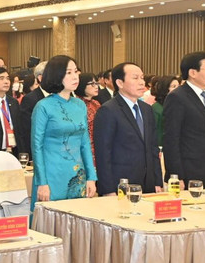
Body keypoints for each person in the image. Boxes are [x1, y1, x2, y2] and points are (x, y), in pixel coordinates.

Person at [31, 55, 97, 209]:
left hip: (77, 173)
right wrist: (42, 182)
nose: (75, 76)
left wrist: (91, 177)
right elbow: (36, 146)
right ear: (56, 75)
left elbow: (85, 143)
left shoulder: (80, 105)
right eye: (68, 73)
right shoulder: (43, 106)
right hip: (51, 175)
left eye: (76, 71)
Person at [93, 63, 162, 195]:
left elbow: (153, 148)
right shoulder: (108, 110)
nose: (142, 82)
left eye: (142, 78)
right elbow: (103, 154)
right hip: (120, 185)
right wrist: (108, 189)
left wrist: (157, 181)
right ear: (120, 82)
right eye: (135, 78)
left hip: (147, 184)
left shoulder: (146, 109)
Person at [163, 51, 205, 187]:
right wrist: (176, 175)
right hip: (190, 172)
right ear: (193, 73)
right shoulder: (177, 97)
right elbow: (171, 139)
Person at [20, 60, 48, 159]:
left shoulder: (61, 97)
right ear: (40, 78)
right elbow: (27, 131)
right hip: (39, 153)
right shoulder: (30, 99)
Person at [73, 72, 100, 163]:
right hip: (81, 148)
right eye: (92, 84)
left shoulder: (96, 103)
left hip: (97, 145)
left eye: (96, 83)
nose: (96, 86)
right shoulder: (75, 104)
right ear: (82, 85)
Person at [149, 76, 179, 147]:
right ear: (165, 88)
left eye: (179, 86)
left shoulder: (179, 105)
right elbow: (155, 132)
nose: (178, 89)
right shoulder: (156, 108)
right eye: (174, 86)